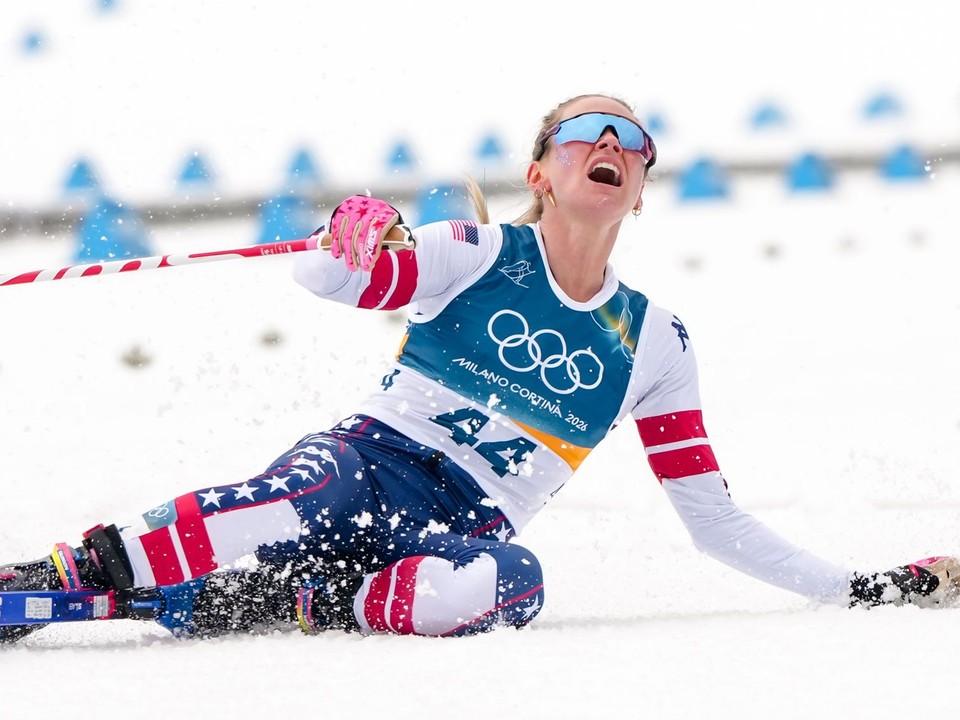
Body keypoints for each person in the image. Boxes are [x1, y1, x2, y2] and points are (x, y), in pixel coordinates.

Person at [3, 93, 958, 645]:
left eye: (635, 145)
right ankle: (56, 574)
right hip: (368, 463)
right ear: (543, 169)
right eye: (593, 132)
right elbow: (334, 281)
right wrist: (352, 237)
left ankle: (291, 601)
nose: (615, 150)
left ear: (640, 188)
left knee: (513, 587)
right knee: (288, 503)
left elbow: (713, 521)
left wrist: (859, 588)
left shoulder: (657, 343)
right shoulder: (477, 250)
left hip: (458, 527)